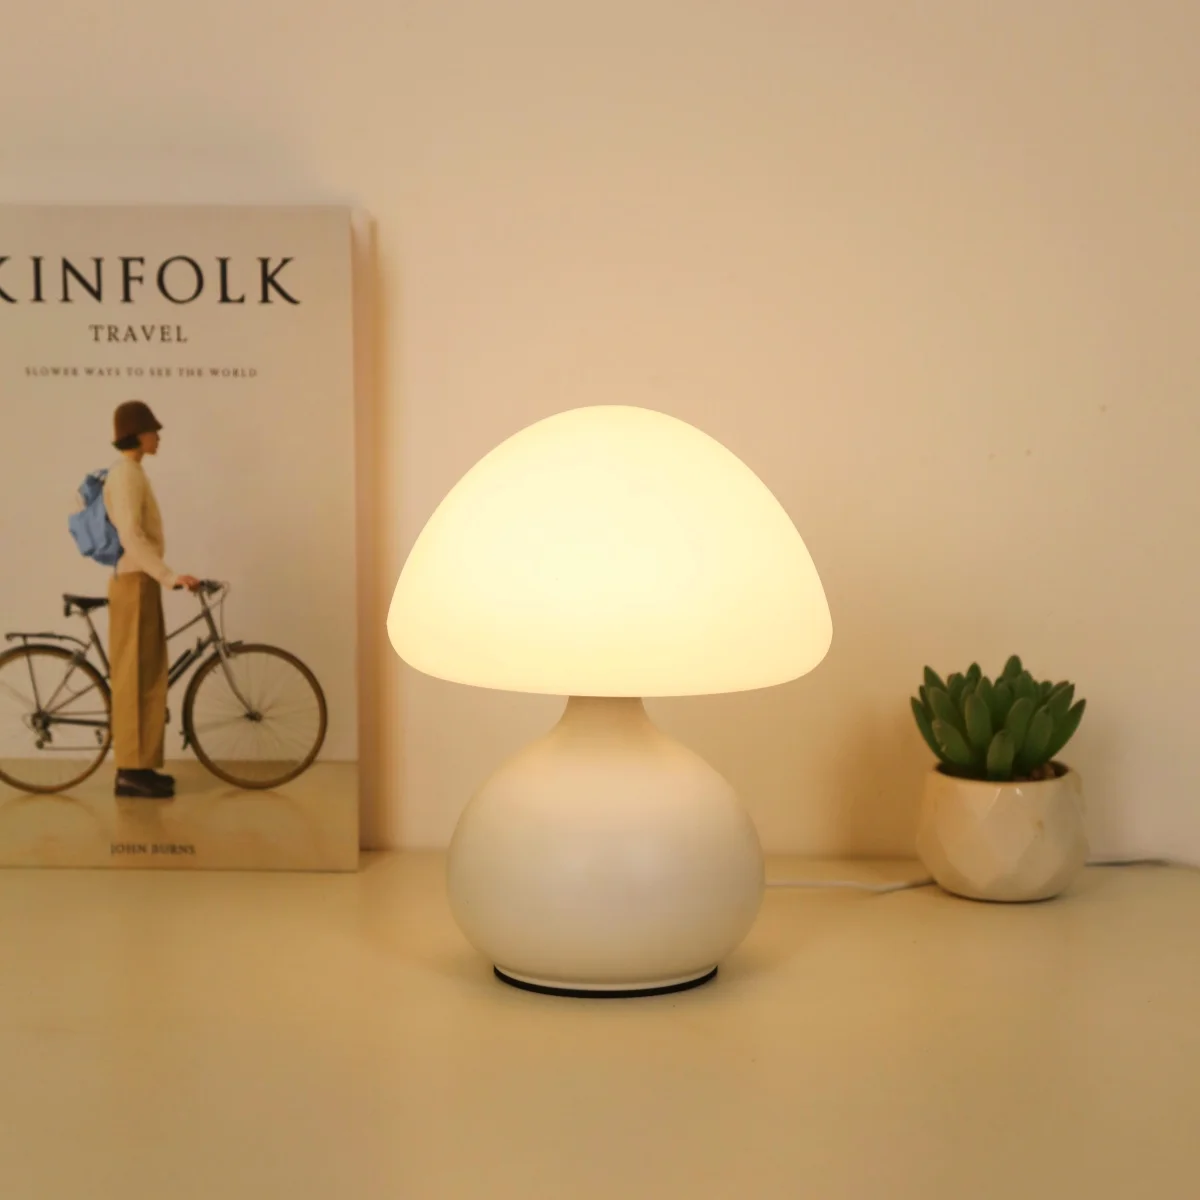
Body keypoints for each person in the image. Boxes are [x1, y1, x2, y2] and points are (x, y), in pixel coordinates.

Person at [103, 401, 201, 799]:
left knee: (145, 675)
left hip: (140, 581)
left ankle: (141, 766)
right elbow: (131, 535)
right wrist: (169, 576)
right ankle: (130, 772)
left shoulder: (132, 472)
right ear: (137, 434)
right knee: (133, 678)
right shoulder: (126, 474)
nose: (158, 437)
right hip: (135, 582)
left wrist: (161, 576)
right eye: (152, 431)